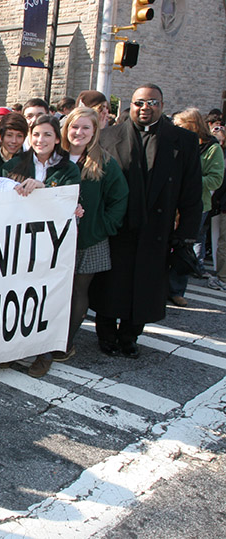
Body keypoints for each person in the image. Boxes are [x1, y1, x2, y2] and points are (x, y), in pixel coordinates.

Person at [90, 84, 203, 358]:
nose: (145, 108)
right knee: (110, 284)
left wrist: (185, 236)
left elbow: (192, 193)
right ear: (132, 105)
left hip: (156, 229)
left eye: (152, 103)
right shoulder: (107, 137)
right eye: (140, 103)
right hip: (117, 228)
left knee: (145, 285)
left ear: (162, 106)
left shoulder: (184, 141)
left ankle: (130, 336)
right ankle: (106, 334)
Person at [25, 107, 129, 377]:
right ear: (64, 130)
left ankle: (64, 342)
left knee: (77, 292)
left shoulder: (104, 162)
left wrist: (101, 227)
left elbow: (119, 200)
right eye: (74, 127)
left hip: (89, 239)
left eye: (86, 128)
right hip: (51, 240)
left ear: (95, 132)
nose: (79, 133)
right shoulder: (52, 158)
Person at [1, 114, 82, 375]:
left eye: (47, 134)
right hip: (20, 241)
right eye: (36, 134)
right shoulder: (15, 163)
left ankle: (44, 352)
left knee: (48, 295)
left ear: (57, 138)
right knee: (17, 294)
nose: (41, 139)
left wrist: (44, 188)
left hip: (52, 244)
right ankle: (11, 348)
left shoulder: (68, 168)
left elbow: (70, 199)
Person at [166, 108, 224, 305]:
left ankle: (176, 290)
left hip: (195, 204)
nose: (176, 129)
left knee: (184, 246)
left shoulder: (211, 148)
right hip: (170, 202)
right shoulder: (174, 143)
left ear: (192, 126)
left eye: (180, 125)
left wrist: (190, 181)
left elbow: (216, 180)